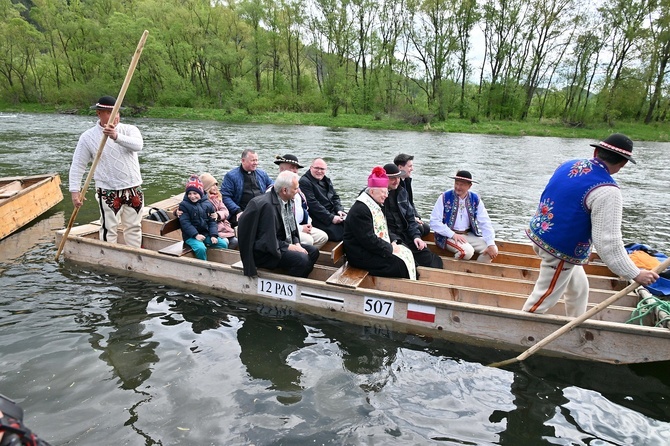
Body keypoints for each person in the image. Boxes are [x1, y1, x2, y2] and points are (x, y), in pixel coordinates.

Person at [523, 133, 659, 317]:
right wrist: (635, 273)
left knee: (579, 287)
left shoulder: (567, 165)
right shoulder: (607, 191)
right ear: (623, 164)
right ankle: (521, 325)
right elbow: (608, 243)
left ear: (596, 152)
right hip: (559, 251)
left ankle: (576, 321)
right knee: (542, 300)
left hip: (540, 235)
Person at [69, 95, 144, 247]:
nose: (115, 117)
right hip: (108, 190)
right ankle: (108, 259)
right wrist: (75, 192)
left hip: (133, 188)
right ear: (99, 113)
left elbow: (138, 145)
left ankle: (135, 257)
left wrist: (116, 136)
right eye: (110, 112)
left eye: (117, 112)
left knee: (134, 227)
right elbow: (78, 165)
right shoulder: (88, 137)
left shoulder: (129, 130)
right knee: (109, 228)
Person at [238, 171, 319, 278]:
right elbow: (267, 240)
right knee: (302, 259)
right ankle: (289, 285)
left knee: (313, 252)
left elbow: (292, 229)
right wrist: (290, 247)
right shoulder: (267, 206)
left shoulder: (287, 201)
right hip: (265, 252)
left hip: (279, 244)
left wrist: (296, 243)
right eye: (295, 189)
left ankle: (296, 277)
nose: (298, 191)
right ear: (284, 190)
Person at [343, 166, 417, 279]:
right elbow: (368, 239)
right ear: (372, 191)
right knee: (399, 265)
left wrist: (392, 242)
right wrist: (390, 248)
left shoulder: (375, 204)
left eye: (386, 192)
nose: (386, 196)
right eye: (383, 192)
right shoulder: (360, 210)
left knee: (406, 252)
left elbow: (383, 229)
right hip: (359, 254)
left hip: (370, 248)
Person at [429, 170, 499, 263]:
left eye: (462, 184)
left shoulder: (475, 199)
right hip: (447, 236)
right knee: (466, 252)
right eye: (456, 183)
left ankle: (476, 274)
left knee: (492, 250)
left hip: (467, 234)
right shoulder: (444, 197)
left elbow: (485, 222)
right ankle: (453, 272)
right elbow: (434, 222)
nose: (458, 187)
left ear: (469, 186)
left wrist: (491, 243)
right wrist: (452, 234)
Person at [384, 163, 443, 269]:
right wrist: (394, 240)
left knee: (428, 257)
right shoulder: (378, 196)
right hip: (389, 238)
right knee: (408, 261)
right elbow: (379, 225)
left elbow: (410, 218)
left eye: (397, 177)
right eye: (392, 178)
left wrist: (416, 236)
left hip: (405, 234)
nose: (396, 181)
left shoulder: (402, 192)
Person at [274, 154, 328, 249]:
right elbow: (280, 220)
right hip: (285, 230)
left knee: (323, 237)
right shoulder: (277, 192)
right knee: (308, 240)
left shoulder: (297, 191)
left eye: (296, 168)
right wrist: (300, 228)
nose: (295, 171)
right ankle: (297, 256)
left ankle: (306, 256)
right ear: (282, 170)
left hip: (300, 225)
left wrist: (308, 223)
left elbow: (304, 208)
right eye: (292, 168)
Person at [178, 175, 229, 260]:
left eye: (195, 193)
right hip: (191, 236)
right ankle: (203, 265)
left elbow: (212, 221)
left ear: (201, 193)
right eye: (189, 194)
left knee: (222, 244)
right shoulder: (184, 205)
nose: (192, 196)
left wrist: (213, 235)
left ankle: (217, 261)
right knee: (200, 248)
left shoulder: (207, 204)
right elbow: (185, 224)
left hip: (205, 234)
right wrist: (196, 235)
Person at [220, 149, 273, 227]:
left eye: (256, 160)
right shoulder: (231, 176)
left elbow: (272, 184)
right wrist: (237, 211)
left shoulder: (262, 174)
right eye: (253, 160)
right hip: (241, 212)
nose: (255, 163)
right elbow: (225, 196)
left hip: (261, 211)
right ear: (243, 160)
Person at [299, 158, 347, 241]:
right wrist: (331, 218)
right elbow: (313, 205)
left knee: (354, 224)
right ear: (311, 168)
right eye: (316, 168)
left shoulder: (326, 180)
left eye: (322, 169)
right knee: (340, 234)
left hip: (332, 212)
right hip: (318, 217)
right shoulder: (304, 182)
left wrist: (339, 210)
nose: (319, 171)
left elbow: (335, 197)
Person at [394, 153, 430, 236]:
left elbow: (410, 202)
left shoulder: (407, 181)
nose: (412, 169)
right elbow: (398, 208)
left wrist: (417, 217)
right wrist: (413, 219)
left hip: (409, 216)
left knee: (426, 228)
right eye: (410, 166)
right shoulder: (395, 185)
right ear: (400, 167)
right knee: (420, 228)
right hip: (401, 220)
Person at [200, 172, 238, 249]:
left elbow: (225, 211)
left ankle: (227, 256)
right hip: (214, 230)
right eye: (212, 185)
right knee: (225, 241)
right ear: (206, 187)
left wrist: (218, 215)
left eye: (216, 185)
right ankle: (219, 256)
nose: (215, 187)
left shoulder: (217, 198)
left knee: (235, 241)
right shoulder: (203, 201)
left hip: (223, 227)